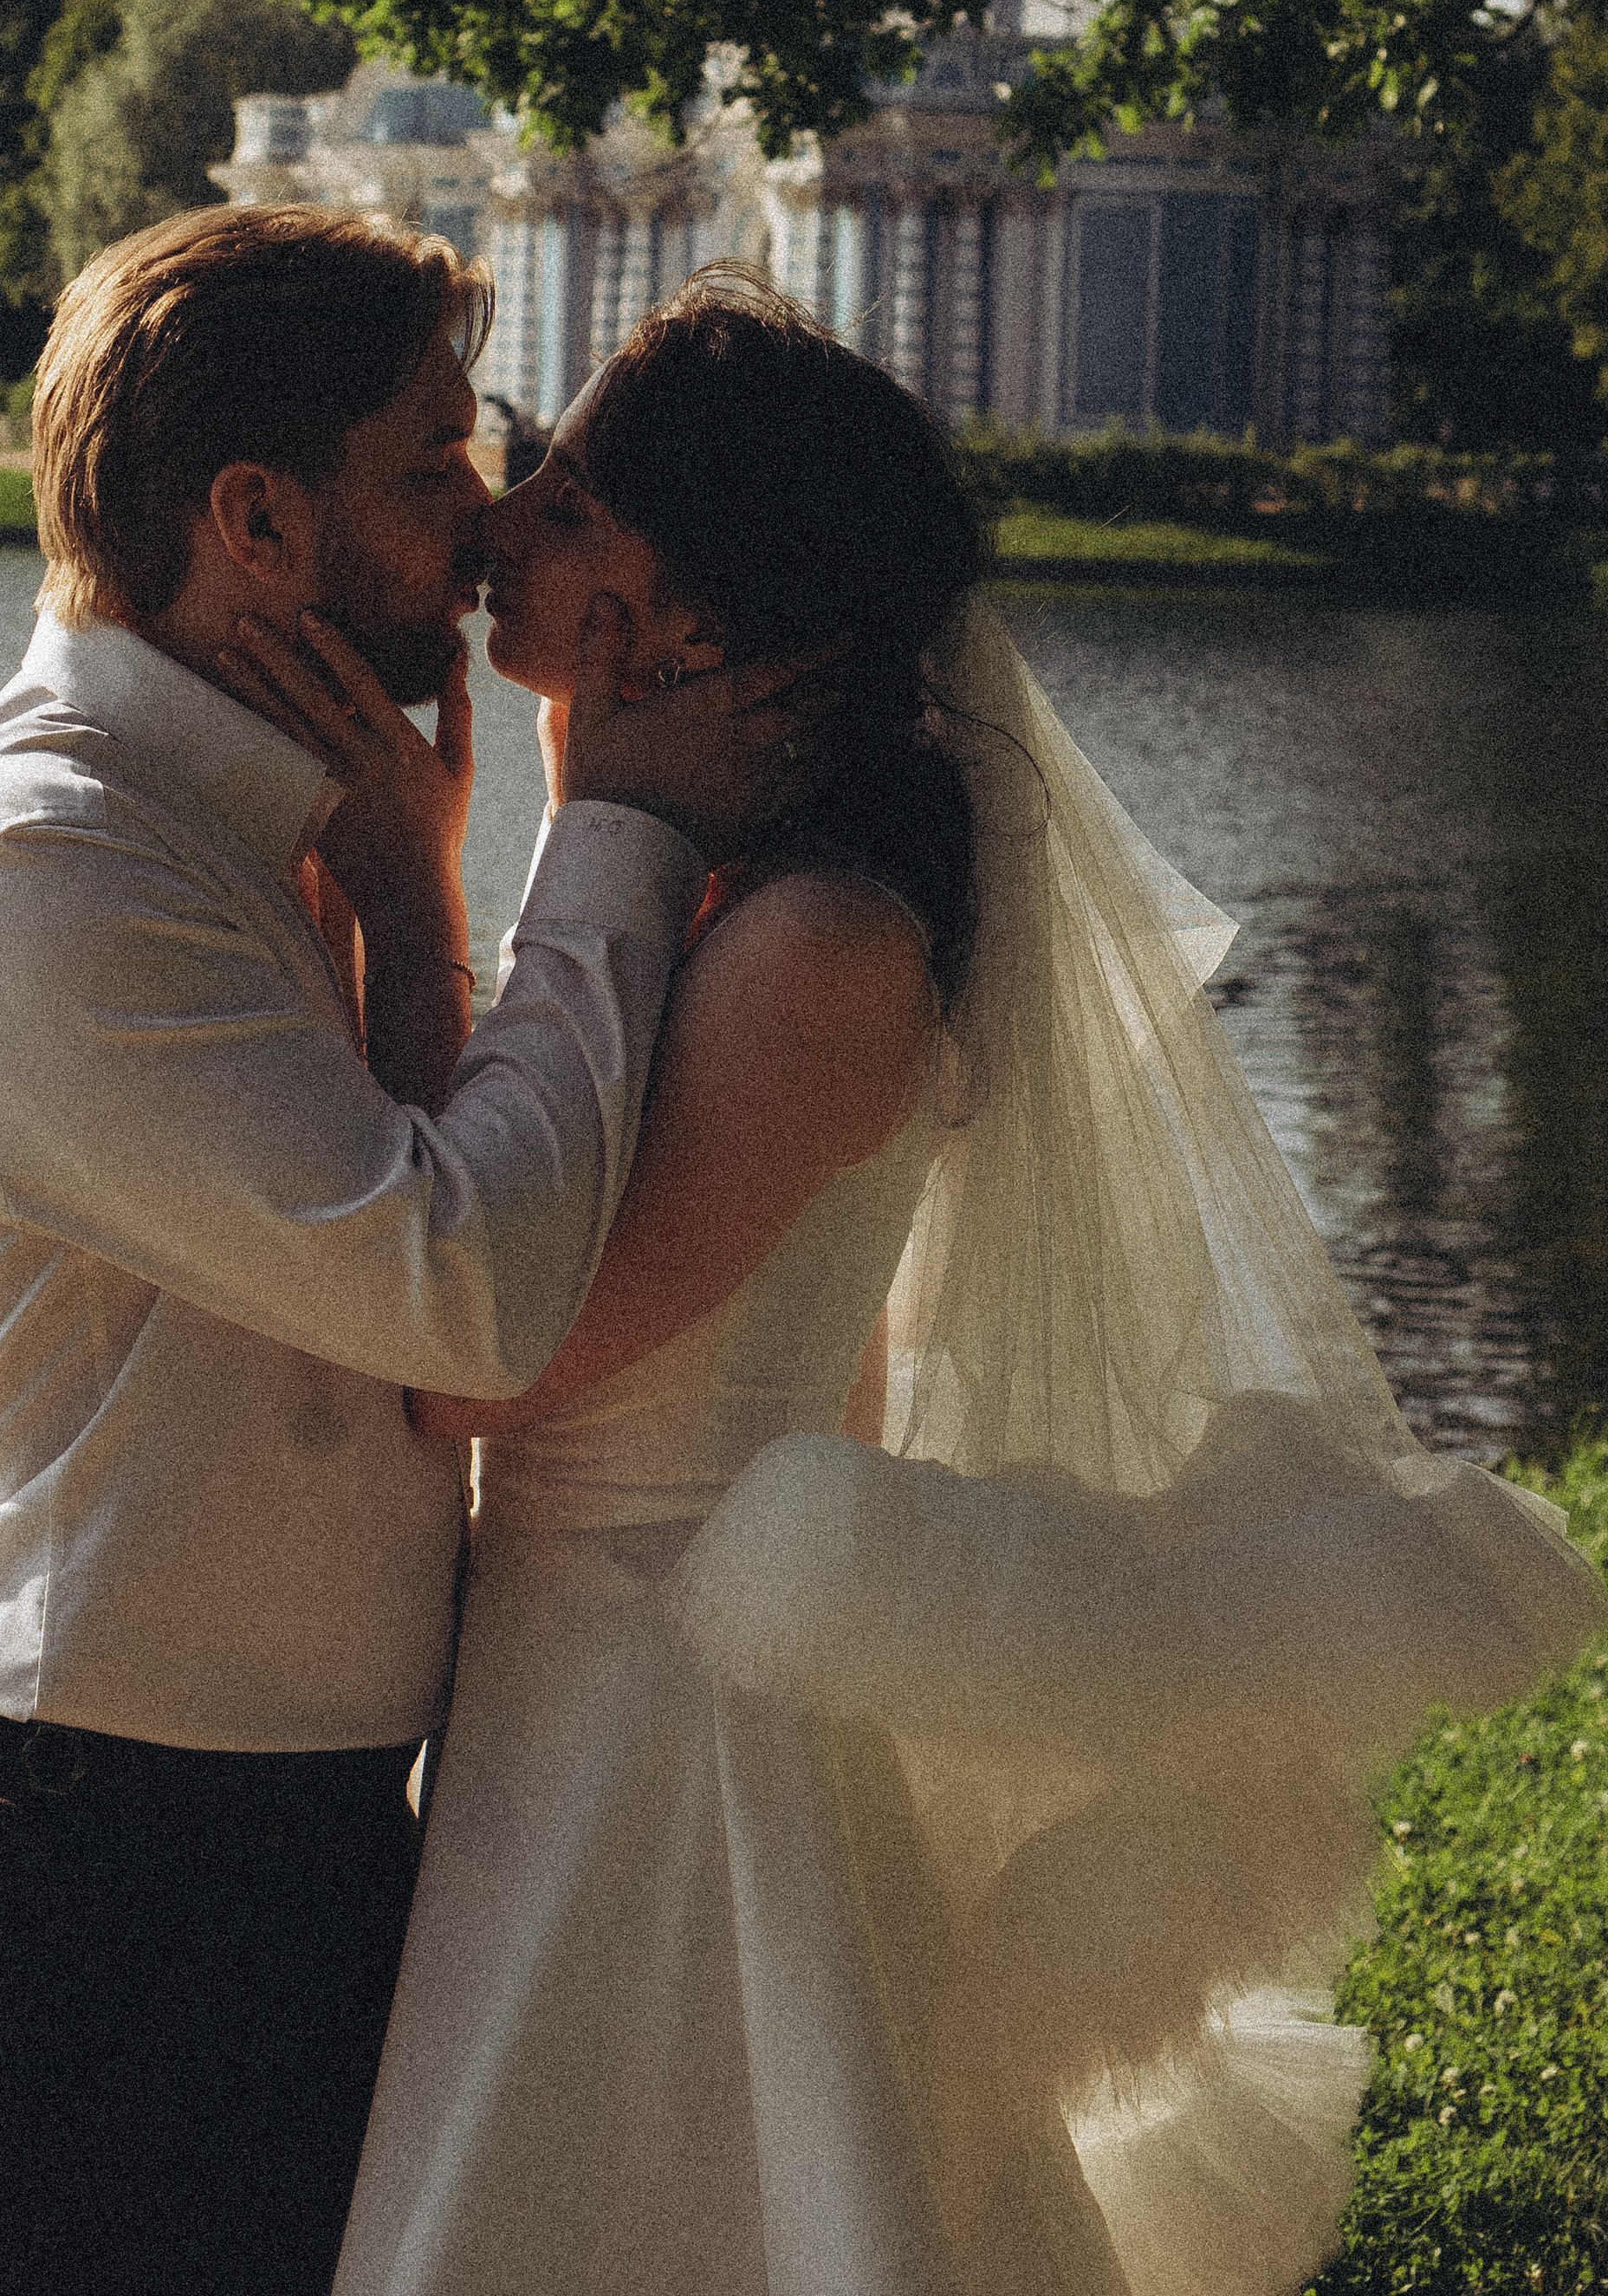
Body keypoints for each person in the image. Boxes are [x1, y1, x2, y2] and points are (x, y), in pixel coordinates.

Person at [233, 270, 1604, 2296]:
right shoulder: (712, 894)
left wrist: (462, 877)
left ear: (684, 602)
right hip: (579, 1676)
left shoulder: (811, 950)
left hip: (666, 1713)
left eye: (572, 494)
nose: (507, 522)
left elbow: (470, 1368)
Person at [0, 208, 811, 2296]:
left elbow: (428, 1295)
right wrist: (607, 828)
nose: (483, 519)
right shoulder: (50, 862)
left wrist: (416, 898)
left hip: (291, 1871)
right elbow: (467, 1294)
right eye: (433, 458)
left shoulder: (264, 833)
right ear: (253, 516)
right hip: (78, 1908)